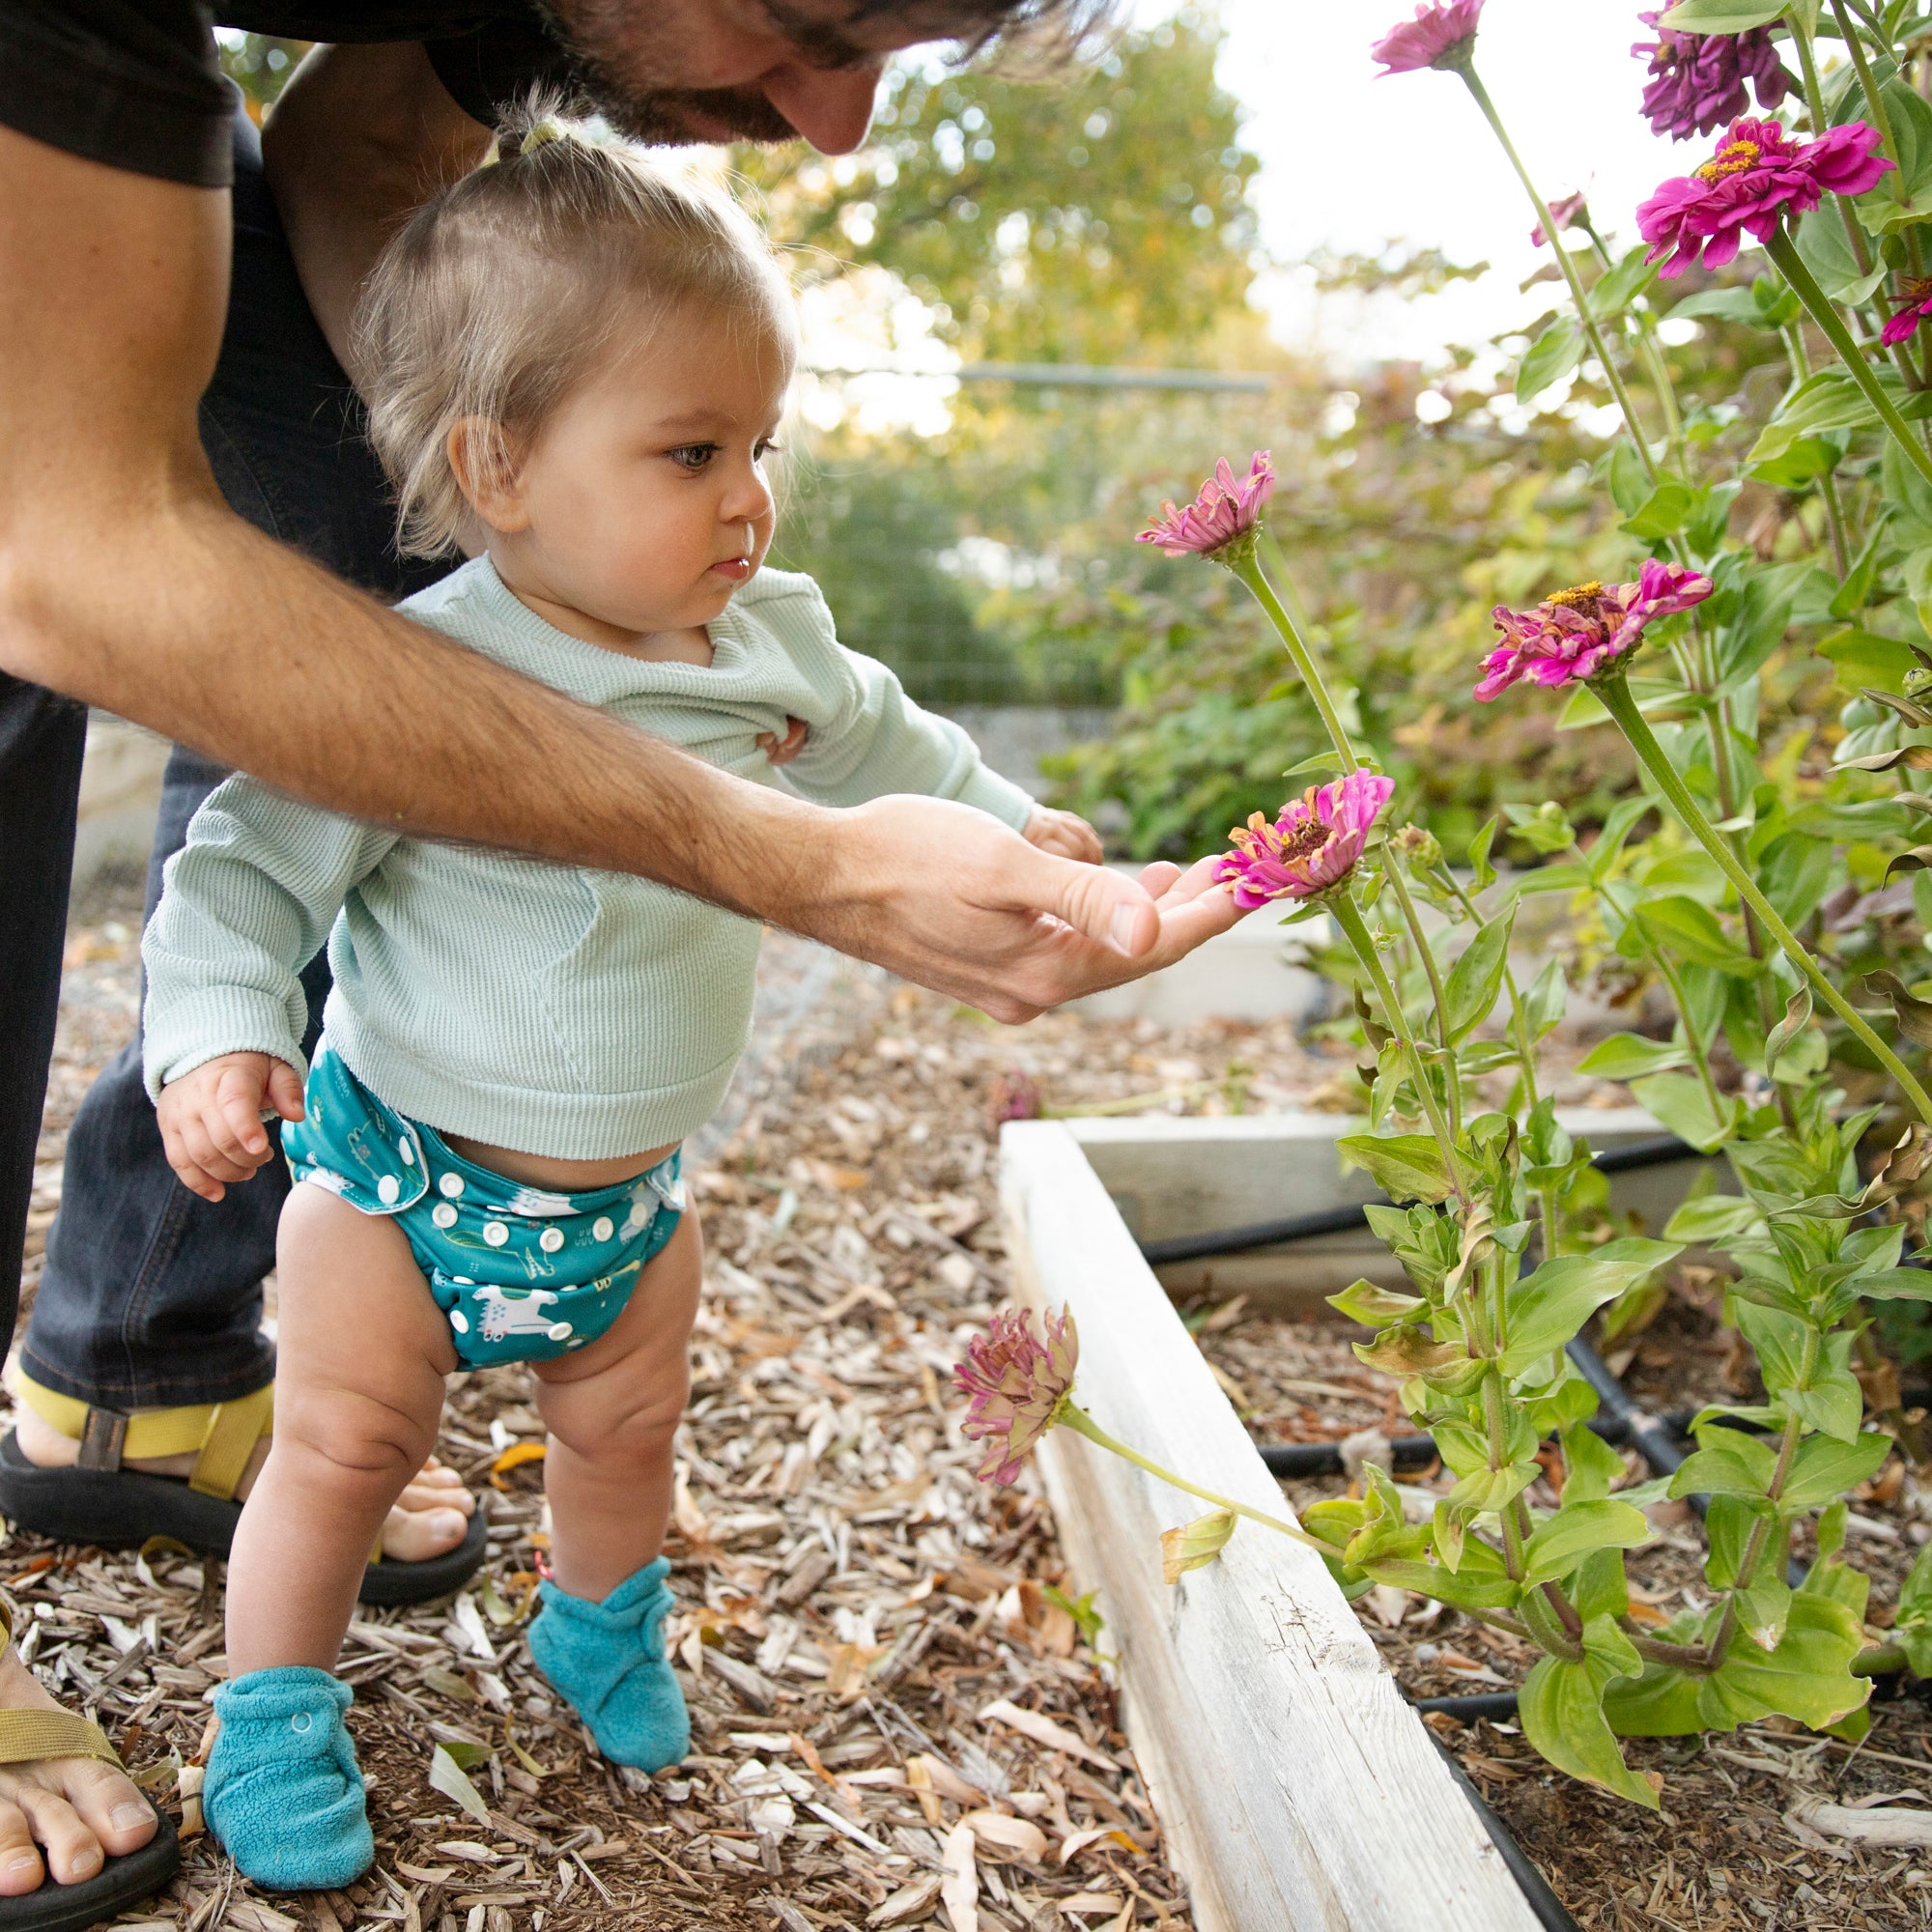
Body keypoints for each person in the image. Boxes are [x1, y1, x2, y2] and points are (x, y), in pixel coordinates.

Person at [0, 1, 1244, 1916]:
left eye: (762, 441)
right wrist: (219, 1040)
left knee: (625, 1428)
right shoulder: (426, 672)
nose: (748, 496)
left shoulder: (774, 641)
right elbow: (243, 863)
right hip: (400, 1193)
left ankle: (598, 1622)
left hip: (622, 1203)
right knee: (337, 1444)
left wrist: (1043, 851)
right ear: (499, 470)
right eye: (689, 449)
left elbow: (907, 760)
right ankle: (273, 1702)